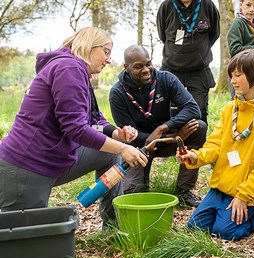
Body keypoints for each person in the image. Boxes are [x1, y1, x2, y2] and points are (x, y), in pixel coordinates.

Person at [0, 27, 148, 229]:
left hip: (53, 157)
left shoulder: (78, 71)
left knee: (108, 155)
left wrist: (116, 134)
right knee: (23, 237)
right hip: (27, 164)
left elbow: (92, 118)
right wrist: (123, 148)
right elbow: (76, 129)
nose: (108, 60)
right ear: (89, 45)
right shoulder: (68, 68)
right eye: (106, 52)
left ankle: (113, 227)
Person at [176, 49, 254, 240]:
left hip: (249, 192)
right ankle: (227, 211)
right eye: (231, 76)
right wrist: (196, 156)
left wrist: (244, 195)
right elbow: (216, 144)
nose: (233, 81)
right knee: (194, 227)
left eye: (238, 75)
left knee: (226, 232)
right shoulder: (230, 108)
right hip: (222, 186)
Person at [109, 45, 207, 207]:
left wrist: (163, 129)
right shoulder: (118, 93)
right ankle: (142, 182)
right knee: (134, 193)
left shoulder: (166, 79)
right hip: (138, 146)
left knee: (199, 127)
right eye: (138, 67)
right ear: (126, 68)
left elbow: (192, 108)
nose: (146, 69)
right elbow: (130, 137)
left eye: (148, 64)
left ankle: (184, 190)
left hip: (165, 139)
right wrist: (169, 138)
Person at [157, 0, 220, 125]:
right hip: (171, 69)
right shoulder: (166, 6)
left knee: (199, 113)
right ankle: (172, 143)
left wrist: (199, 53)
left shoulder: (208, 5)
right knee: (170, 113)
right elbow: (163, 35)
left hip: (199, 71)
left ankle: (196, 145)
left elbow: (214, 34)